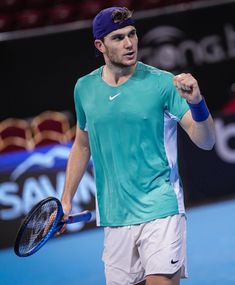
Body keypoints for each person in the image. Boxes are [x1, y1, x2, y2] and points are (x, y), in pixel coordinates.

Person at [59, 7, 216, 285]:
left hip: (161, 208)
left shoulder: (163, 83)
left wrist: (197, 103)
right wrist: (67, 198)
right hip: (114, 216)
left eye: (132, 34)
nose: (130, 43)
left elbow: (206, 141)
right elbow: (82, 145)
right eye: (118, 38)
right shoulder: (83, 88)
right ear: (100, 45)